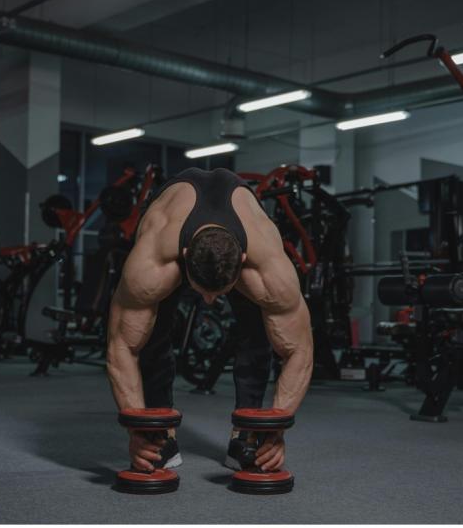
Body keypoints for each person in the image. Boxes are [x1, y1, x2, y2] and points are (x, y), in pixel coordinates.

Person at [106, 167, 313, 474]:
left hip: (240, 227)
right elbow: (121, 347)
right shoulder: (153, 261)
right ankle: (159, 437)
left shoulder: (267, 264)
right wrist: (136, 429)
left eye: (219, 293)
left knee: (258, 336)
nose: (208, 301)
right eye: (201, 291)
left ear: (242, 262)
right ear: (185, 256)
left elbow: (299, 351)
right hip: (171, 210)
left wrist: (275, 430)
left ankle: (248, 436)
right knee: (152, 336)